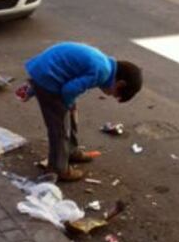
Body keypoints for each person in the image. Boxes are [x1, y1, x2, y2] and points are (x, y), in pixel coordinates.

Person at [19, 42, 143, 182]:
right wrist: (67, 105)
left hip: (48, 70)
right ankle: (59, 169)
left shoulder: (105, 64)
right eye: (114, 94)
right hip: (48, 79)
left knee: (70, 116)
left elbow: (72, 86)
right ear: (120, 84)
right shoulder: (102, 72)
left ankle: (71, 151)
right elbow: (69, 90)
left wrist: (70, 105)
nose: (109, 95)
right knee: (60, 128)